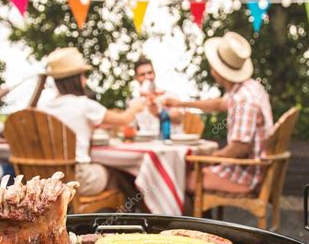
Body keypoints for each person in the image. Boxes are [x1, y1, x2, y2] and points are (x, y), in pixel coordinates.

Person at [164, 32, 273, 194]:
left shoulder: (244, 100)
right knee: (187, 174)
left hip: (246, 176)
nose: (212, 70)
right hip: (253, 169)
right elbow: (216, 104)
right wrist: (180, 103)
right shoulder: (249, 88)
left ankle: (190, 219)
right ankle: (202, 216)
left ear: (220, 72)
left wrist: (209, 159)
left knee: (178, 181)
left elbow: (239, 149)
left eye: (214, 66)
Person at [40, 47, 145, 196]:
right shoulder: (83, 104)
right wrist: (136, 107)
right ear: (76, 79)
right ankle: (126, 213)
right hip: (77, 179)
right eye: (83, 75)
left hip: (46, 179)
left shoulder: (44, 106)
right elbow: (123, 119)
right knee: (117, 172)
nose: (86, 79)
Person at [130, 57, 183, 134]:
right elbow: (130, 128)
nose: (147, 77)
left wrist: (159, 111)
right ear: (137, 78)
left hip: (172, 144)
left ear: (154, 74)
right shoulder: (134, 103)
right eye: (142, 75)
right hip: (147, 144)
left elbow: (178, 118)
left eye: (150, 73)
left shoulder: (169, 96)